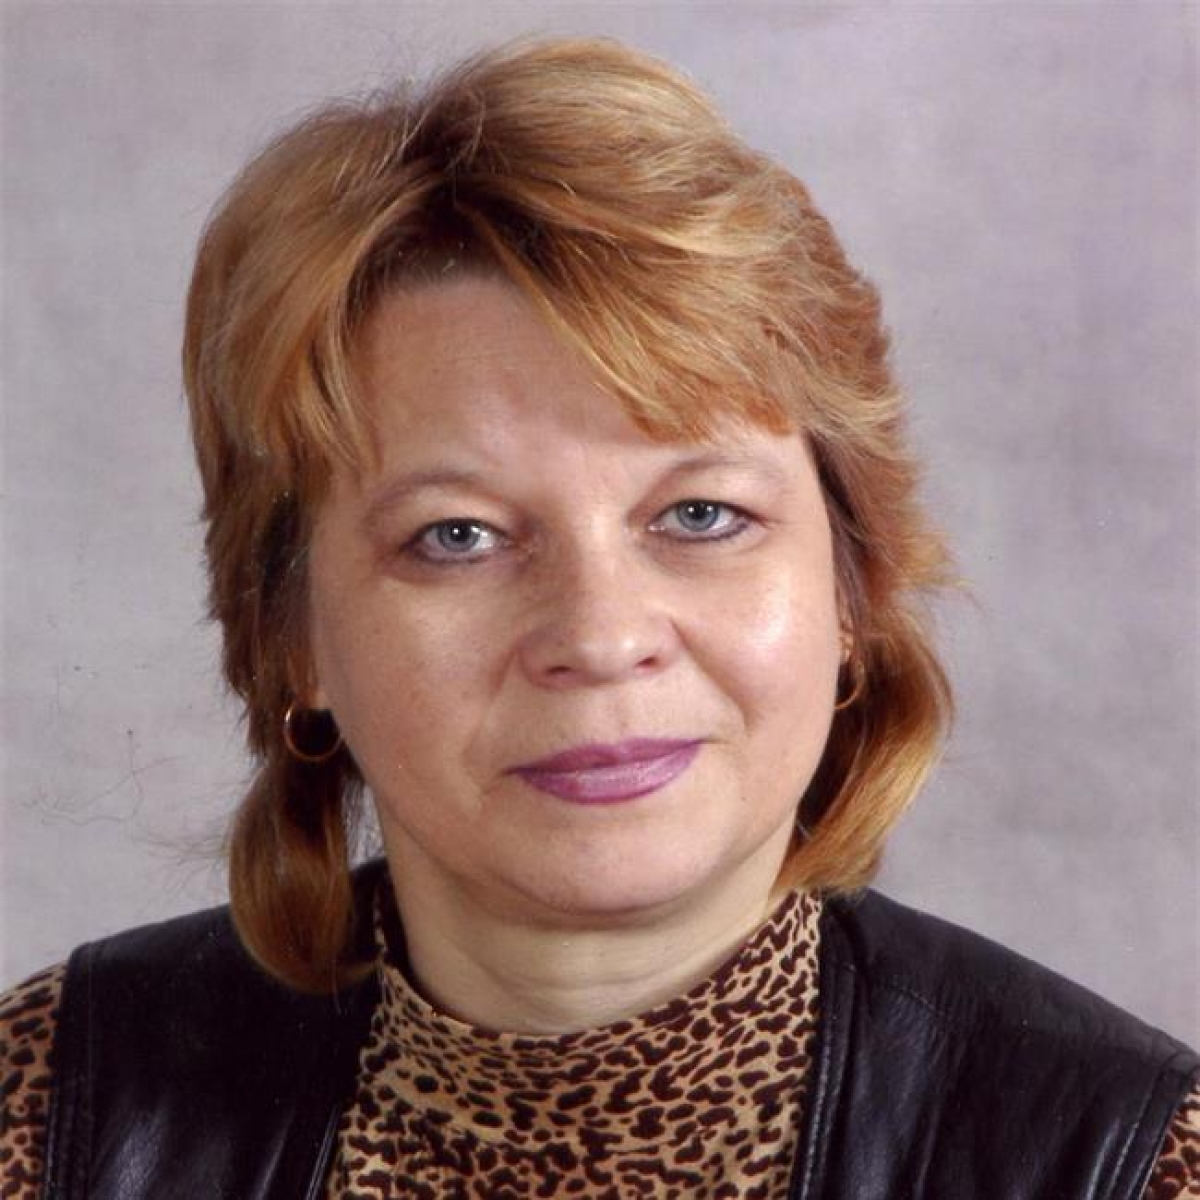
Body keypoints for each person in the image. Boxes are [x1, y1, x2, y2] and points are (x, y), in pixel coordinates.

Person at [1, 36, 1196, 1199]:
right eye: (457, 536)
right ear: (288, 636)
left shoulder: (1135, 1164)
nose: (601, 634)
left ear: (852, 587)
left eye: (701, 516)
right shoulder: (43, 1112)